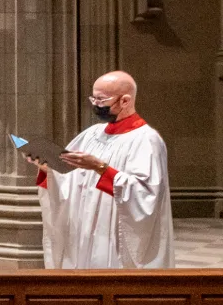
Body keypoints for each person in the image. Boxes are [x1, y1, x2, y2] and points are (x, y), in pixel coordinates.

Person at [26, 70, 173, 269]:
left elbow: (146, 194)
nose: (95, 104)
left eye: (101, 100)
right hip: (84, 228)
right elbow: (70, 180)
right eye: (93, 98)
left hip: (113, 233)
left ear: (125, 101)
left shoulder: (146, 140)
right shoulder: (91, 135)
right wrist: (48, 169)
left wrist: (99, 167)